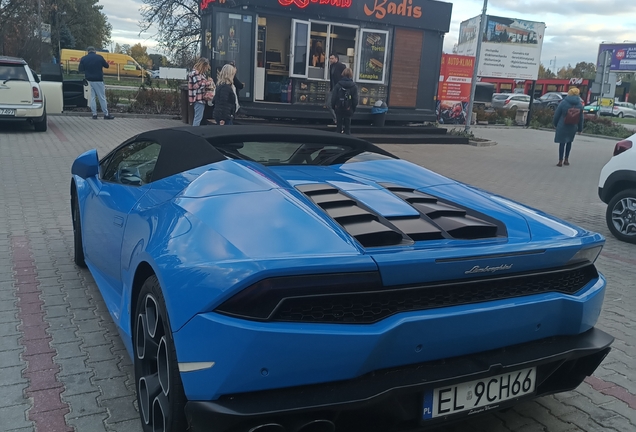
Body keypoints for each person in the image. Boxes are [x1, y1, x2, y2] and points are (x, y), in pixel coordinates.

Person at [79, 46, 114, 120]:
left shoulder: (84, 58)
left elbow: (80, 69)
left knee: (92, 98)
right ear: (95, 51)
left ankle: (94, 114)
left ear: (87, 51)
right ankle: (106, 114)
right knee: (102, 97)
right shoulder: (99, 57)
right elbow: (107, 66)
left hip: (89, 80)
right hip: (98, 80)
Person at [553, 87, 584, 167]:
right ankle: (566, 159)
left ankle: (560, 161)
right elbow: (581, 118)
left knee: (562, 143)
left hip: (562, 125)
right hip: (573, 126)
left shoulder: (563, 103)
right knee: (569, 142)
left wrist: (555, 124)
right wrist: (580, 129)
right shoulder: (579, 104)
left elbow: (557, 115)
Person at [330, 67, 358, 135]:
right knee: (348, 128)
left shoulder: (338, 85)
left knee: (338, 127)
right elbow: (355, 100)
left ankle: (338, 141)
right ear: (351, 74)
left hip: (338, 108)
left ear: (343, 74)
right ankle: (347, 141)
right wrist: (353, 108)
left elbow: (333, 97)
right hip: (348, 108)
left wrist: (334, 106)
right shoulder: (354, 86)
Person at [187, 57, 214, 126]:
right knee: (198, 118)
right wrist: (208, 83)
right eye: (206, 67)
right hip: (198, 98)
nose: (206, 69)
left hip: (200, 98)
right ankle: (194, 131)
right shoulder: (195, 73)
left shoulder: (199, 74)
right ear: (203, 66)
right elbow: (197, 85)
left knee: (198, 117)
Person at [328, 53, 346, 123]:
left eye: (332, 58)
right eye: (330, 58)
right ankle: (336, 118)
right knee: (329, 104)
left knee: (338, 105)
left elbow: (345, 76)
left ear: (336, 59)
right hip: (333, 88)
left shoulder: (341, 66)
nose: (330, 60)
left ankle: (339, 120)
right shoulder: (331, 66)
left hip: (339, 88)